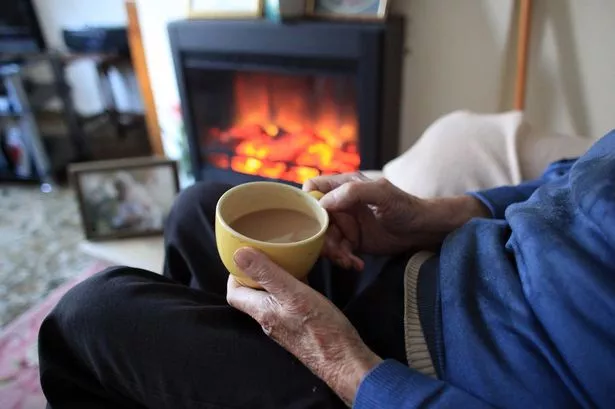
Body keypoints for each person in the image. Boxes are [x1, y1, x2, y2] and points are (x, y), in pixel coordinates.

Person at [38, 130, 615, 409]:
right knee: (200, 208)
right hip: (430, 271)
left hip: (426, 382)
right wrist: (433, 215)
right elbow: (565, 180)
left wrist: (348, 367)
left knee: (88, 318)